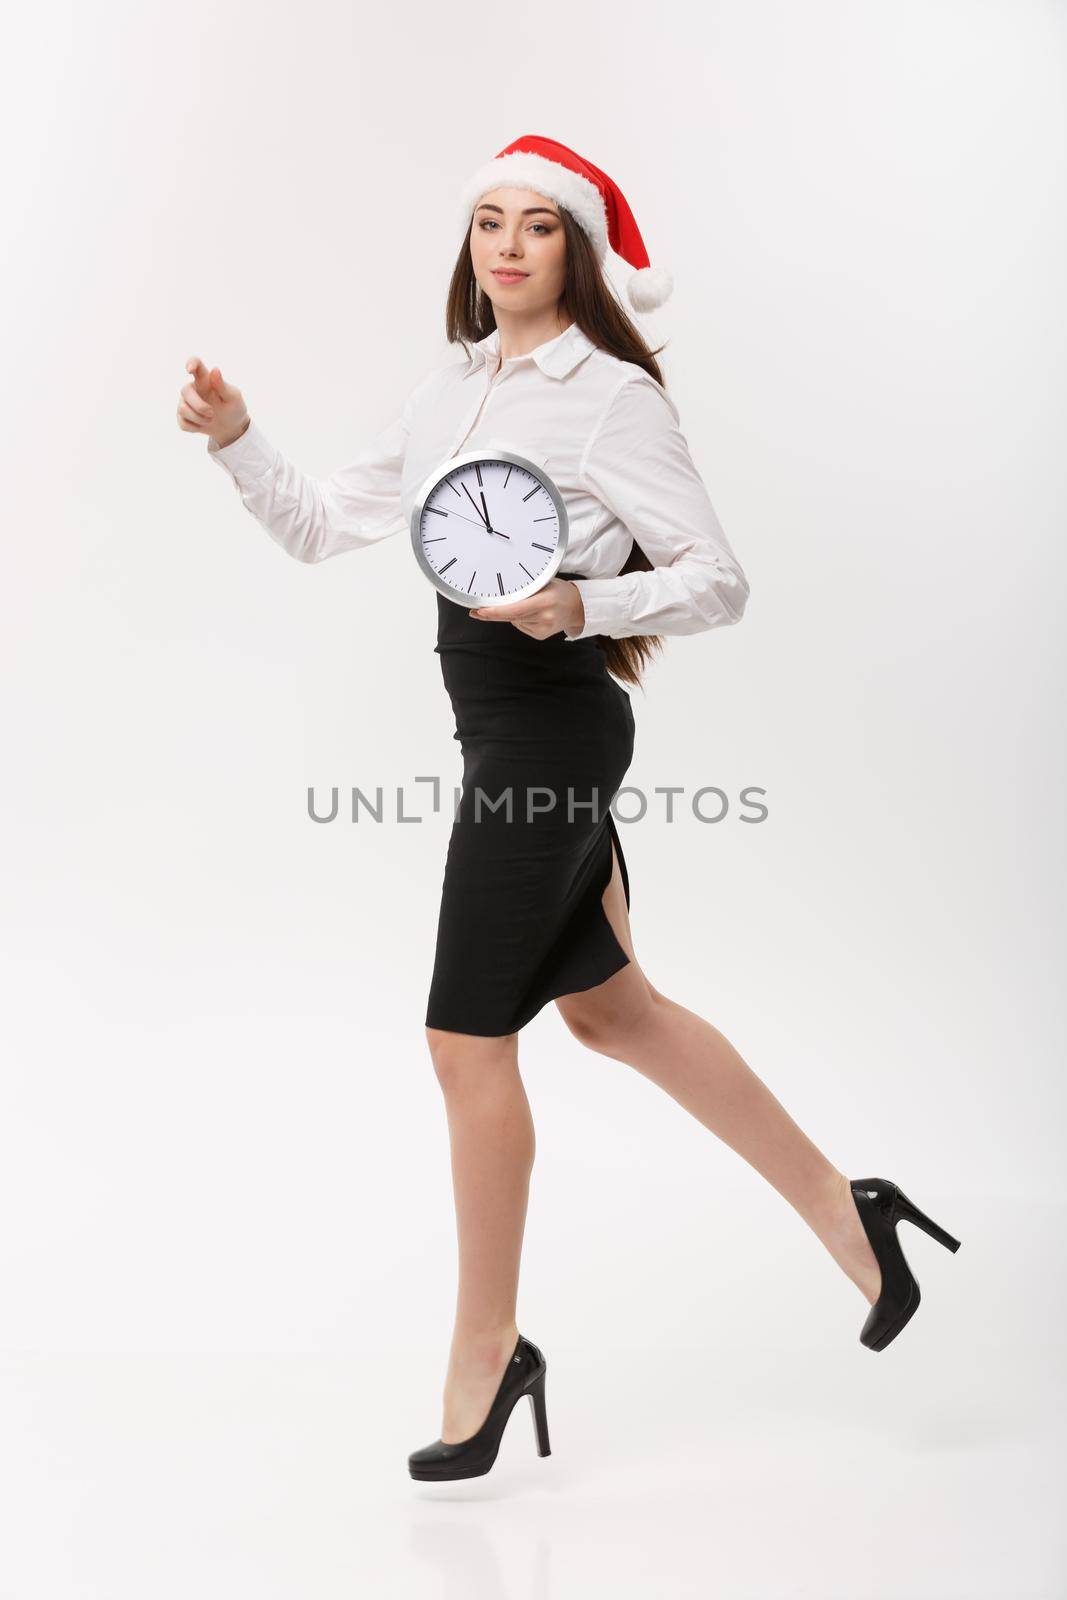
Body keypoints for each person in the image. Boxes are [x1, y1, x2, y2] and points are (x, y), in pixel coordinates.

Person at [177, 134, 961, 1484]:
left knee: (463, 1043)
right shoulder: (451, 388)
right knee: (614, 1013)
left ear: (577, 253)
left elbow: (718, 579)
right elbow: (319, 529)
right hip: (506, 729)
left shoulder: (612, 399)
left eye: (538, 225)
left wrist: (582, 606)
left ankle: (488, 1355)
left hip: (549, 735)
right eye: (489, 220)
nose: (508, 244)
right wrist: (239, 438)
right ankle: (853, 1212)